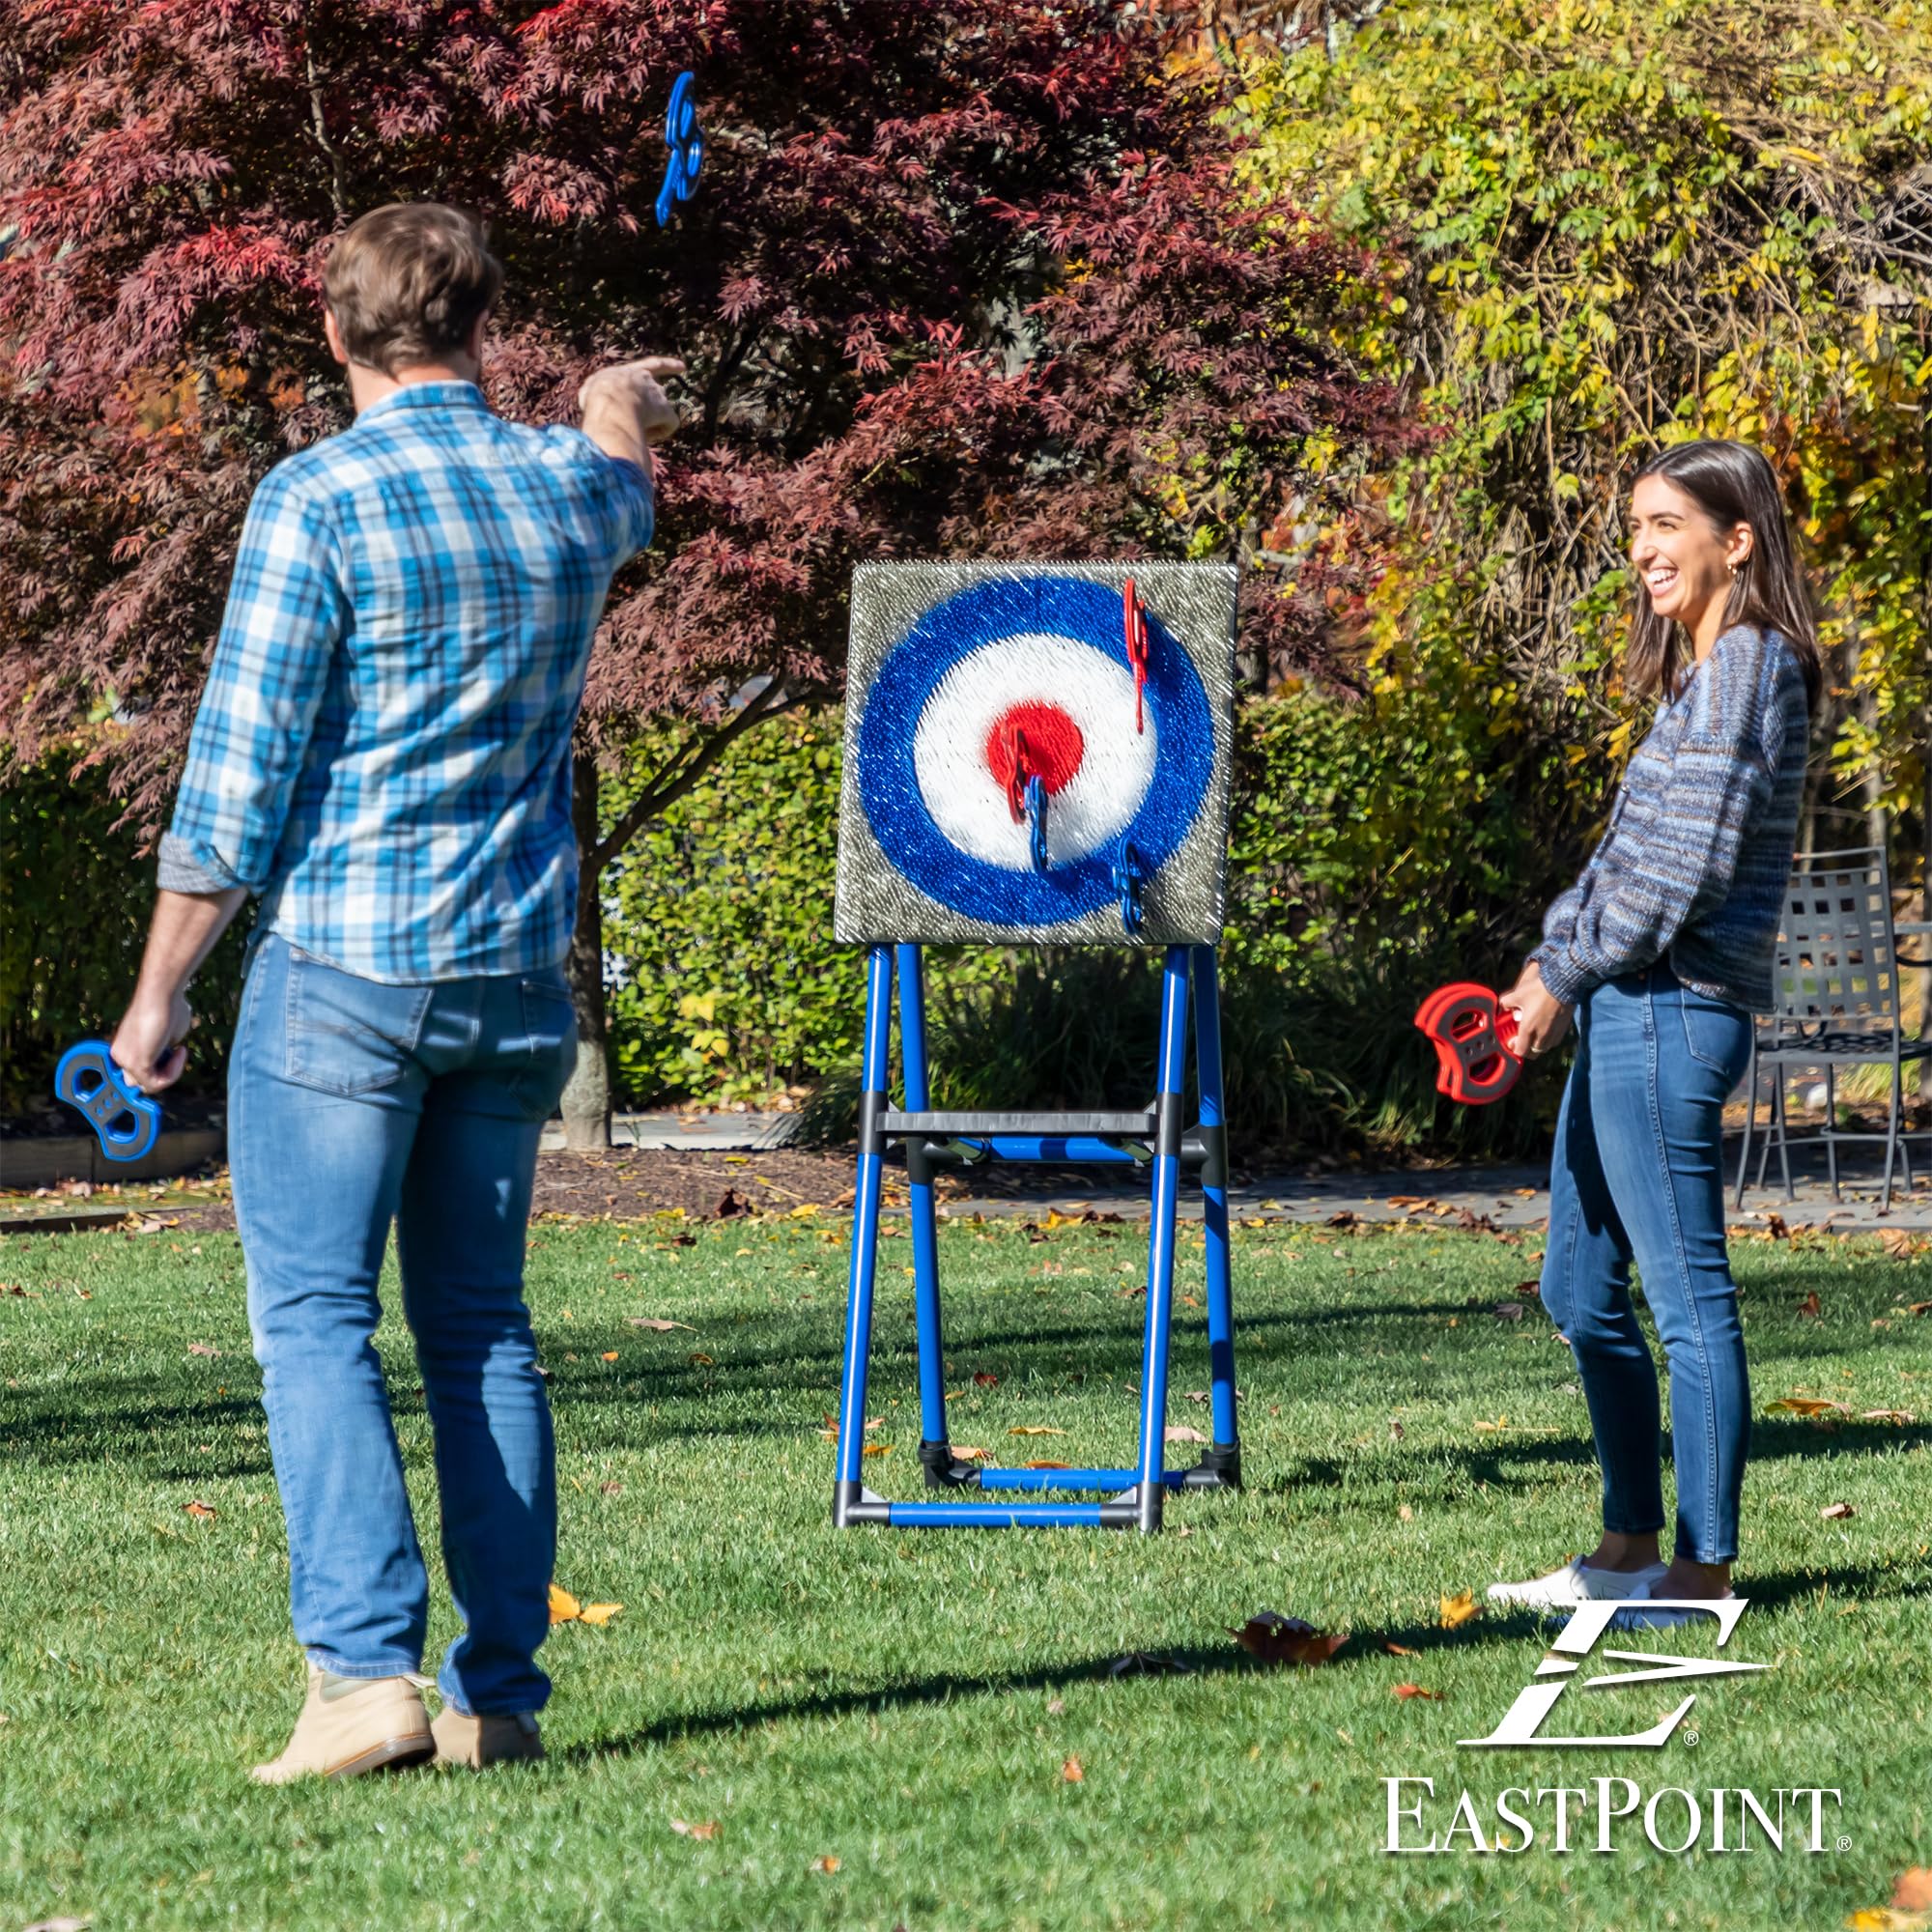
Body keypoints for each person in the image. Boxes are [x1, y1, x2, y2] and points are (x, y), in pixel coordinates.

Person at [106, 202, 683, 1778]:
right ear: (481, 323)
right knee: (484, 1331)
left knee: (313, 1322)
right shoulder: (566, 493)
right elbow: (626, 481)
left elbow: (234, 784)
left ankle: (364, 1683)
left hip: (346, 979)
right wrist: (616, 401)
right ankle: (499, 1696)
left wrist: (158, 996)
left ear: (339, 335)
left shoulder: (319, 503)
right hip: (510, 981)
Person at [1488, 439, 1819, 1632]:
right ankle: (1624, 1546)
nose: (1639, 549)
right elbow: (1625, 857)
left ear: (1736, 539)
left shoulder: (1748, 667)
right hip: (1622, 1001)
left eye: (1664, 523)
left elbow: (1681, 871)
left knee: (1684, 1297)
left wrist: (1562, 973)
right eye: (1633, 526)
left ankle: (1699, 1572)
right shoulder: (1701, 676)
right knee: (1579, 1288)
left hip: (1671, 1008)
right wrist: (1551, 963)